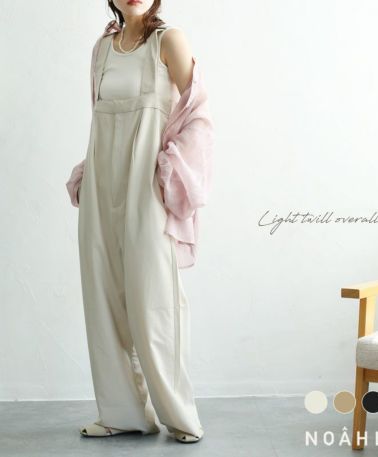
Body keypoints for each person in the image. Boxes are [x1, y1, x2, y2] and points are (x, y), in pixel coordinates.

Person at [66, 0, 213, 444]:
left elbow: (199, 114)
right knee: (104, 299)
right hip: (102, 186)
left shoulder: (169, 41)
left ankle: (180, 415)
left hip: (145, 186)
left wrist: (171, 168)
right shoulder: (102, 49)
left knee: (155, 300)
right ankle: (122, 414)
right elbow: (99, 122)